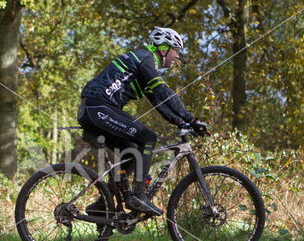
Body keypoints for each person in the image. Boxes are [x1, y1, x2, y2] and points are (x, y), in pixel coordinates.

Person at [77, 26, 208, 216]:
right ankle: (138, 196)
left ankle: (102, 203)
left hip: (96, 109)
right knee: (147, 138)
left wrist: (182, 123)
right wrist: (192, 119)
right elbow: (164, 92)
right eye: (175, 51)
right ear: (163, 50)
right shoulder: (146, 59)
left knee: (132, 151)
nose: (177, 56)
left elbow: (159, 101)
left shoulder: (145, 65)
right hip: (97, 108)